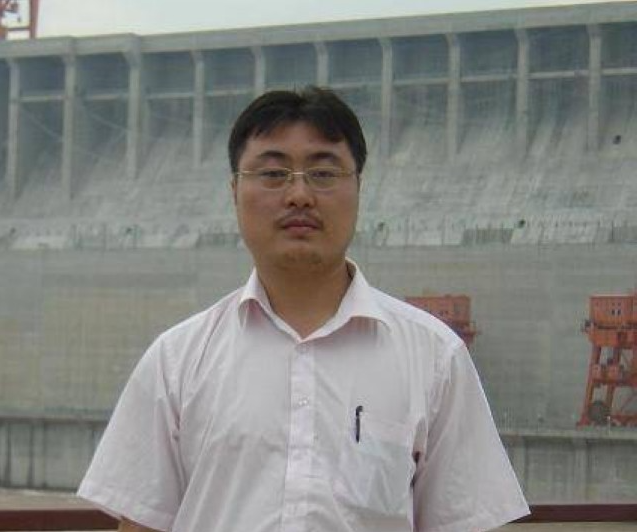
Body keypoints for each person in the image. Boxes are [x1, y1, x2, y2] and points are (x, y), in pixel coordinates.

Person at [78, 86, 529, 532]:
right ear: (235, 191)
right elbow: (142, 523)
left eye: (323, 173)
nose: (299, 195)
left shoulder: (434, 358)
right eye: (273, 174)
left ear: (358, 188)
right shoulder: (177, 360)